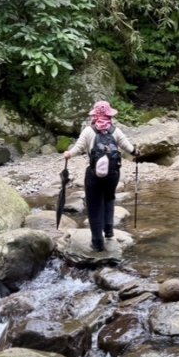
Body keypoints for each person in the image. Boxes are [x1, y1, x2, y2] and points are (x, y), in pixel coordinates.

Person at [62, 100, 139, 252]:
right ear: (109, 114)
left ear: (95, 115)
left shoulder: (88, 131)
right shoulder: (115, 130)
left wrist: (68, 154)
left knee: (94, 206)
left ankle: (97, 242)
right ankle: (109, 232)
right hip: (113, 174)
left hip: (94, 175)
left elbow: (77, 148)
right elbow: (129, 148)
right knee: (109, 198)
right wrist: (137, 152)